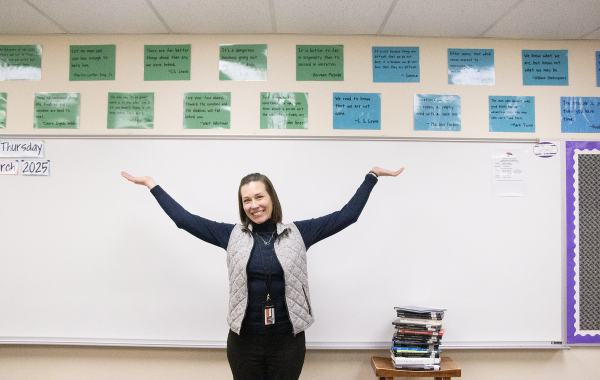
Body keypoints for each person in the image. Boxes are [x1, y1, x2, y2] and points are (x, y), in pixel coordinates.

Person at [121, 166, 404, 380]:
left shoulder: (299, 233)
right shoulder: (230, 235)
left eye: (259, 196)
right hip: (244, 343)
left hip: (287, 343)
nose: (254, 205)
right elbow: (185, 220)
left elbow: (347, 216)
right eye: (247, 200)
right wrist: (151, 184)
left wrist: (372, 176)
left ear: (271, 198)